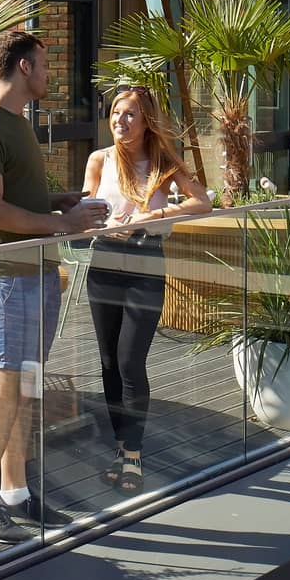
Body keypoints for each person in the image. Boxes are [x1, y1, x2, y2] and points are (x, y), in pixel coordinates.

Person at [0, 27, 101, 540]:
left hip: (39, 273)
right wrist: (65, 225)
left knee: (28, 388)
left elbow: (17, 202)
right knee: (7, 389)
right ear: (23, 68)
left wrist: (58, 202)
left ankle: (14, 493)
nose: (48, 74)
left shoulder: (18, 124)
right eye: (43, 65)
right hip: (7, 279)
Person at [84, 84, 209, 492]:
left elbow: (203, 201)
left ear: (146, 120)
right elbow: (85, 213)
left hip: (145, 261)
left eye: (130, 114)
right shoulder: (99, 159)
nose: (121, 121)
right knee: (107, 361)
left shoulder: (162, 160)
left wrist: (152, 214)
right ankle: (120, 445)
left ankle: (134, 455)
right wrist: (97, 221)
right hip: (104, 260)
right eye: (116, 114)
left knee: (130, 361)